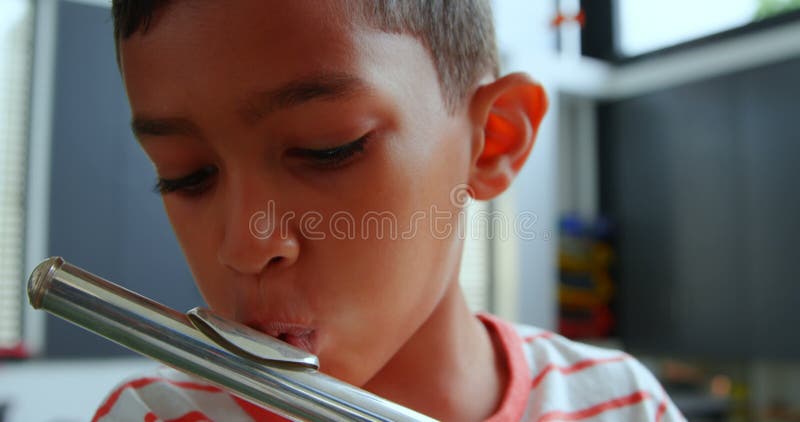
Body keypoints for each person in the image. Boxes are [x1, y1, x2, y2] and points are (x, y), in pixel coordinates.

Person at [94, 1, 685, 421]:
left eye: (328, 148)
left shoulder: (625, 404)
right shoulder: (149, 417)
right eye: (186, 175)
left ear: (493, 141)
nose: (244, 246)